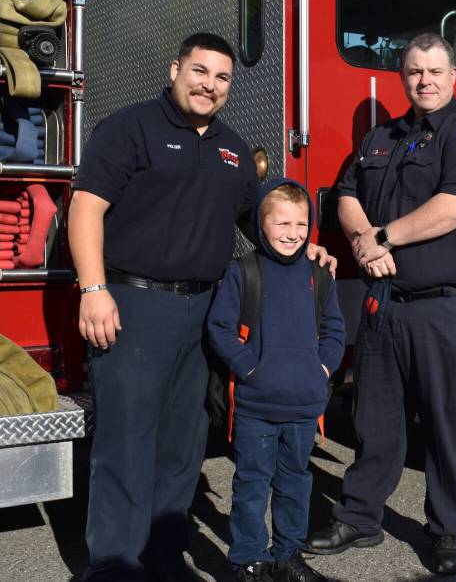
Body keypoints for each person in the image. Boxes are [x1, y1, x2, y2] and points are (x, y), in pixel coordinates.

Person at [69, 33, 333, 582]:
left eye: (221, 78)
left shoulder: (234, 152)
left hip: (202, 310)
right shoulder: (129, 129)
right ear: (175, 70)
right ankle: (115, 565)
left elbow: (258, 224)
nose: (209, 85)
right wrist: (93, 290)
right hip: (133, 307)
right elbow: (87, 208)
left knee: (183, 446)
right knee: (125, 444)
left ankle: (164, 558)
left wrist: (305, 246)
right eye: (199, 71)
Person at [305, 33, 456, 575]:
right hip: (386, 304)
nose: (425, 80)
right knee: (375, 420)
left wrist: (385, 238)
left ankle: (447, 529)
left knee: (446, 423)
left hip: (449, 308)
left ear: (453, 75)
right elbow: (346, 193)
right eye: (415, 71)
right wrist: (360, 242)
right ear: (403, 78)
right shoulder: (380, 138)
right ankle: (359, 517)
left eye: (435, 71)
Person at [207, 179, 345, 582]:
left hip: (303, 408)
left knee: (295, 486)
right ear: (261, 225)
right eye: (282, 224)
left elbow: (335, 330)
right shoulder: (243, 271)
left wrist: (320, 370)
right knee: (251, 487)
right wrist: (250, 368)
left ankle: (288, 557)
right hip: (255, 408)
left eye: (301, 225)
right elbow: (220, 328)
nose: (293, 234)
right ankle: (249, 559)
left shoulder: (319, 275)